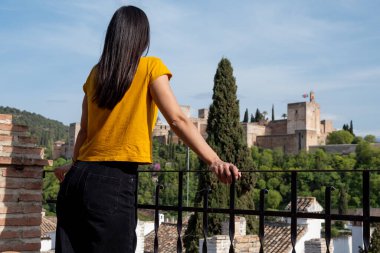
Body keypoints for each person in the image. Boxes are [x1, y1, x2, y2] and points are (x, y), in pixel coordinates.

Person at [54, 5, 241, 253]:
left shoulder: (96, 74)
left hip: (77, 182)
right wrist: (214, 160)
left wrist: (75, 165)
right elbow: (177, 119)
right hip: (113, 182)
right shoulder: (150, 67)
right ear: (142, 38)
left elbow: (85, 131)